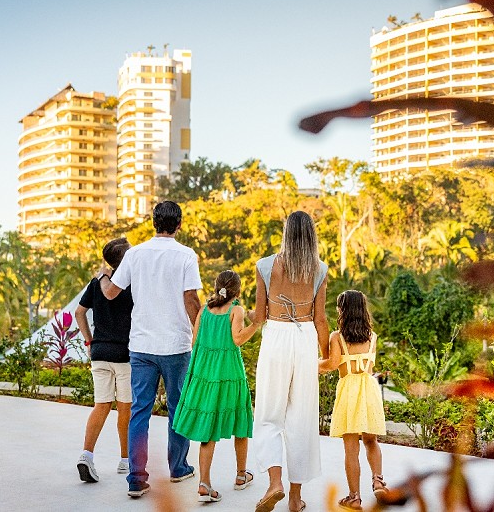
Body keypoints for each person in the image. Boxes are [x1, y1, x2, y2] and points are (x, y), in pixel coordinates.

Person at [97, 200, 202, 498]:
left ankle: (136, 478)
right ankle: (178, 468)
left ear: (153, 222)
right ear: (179, 224)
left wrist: (104, 274)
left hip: (141, 345)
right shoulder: (186, 255)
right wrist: (200, 331)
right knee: (178, 408)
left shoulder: (135, 254)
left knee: (139, 411)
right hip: (175, 345)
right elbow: (191, 298)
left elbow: (111, 292)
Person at [251, 210, 329, 512]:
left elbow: (259, 316)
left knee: (269, 414)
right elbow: (320, 318)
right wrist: (324, 355)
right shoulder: (320, 269)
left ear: (286, 232)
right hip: (306, 338)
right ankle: (295, 498)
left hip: (276, 337)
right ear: (311, 235)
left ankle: (274, 483)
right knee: (302, 419)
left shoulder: (265, 266)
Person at [172, 270, 261, 503]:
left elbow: (194, 341)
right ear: (238, 290)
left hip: (205, 376)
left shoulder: (204, 310)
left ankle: (204, 484)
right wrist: (257, 324)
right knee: (240, 422)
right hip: (230, 374)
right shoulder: (236, 310)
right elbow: (238, 339)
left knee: (207, 429)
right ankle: (241, 475)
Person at [318, 290, 390, 511]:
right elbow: (370, 368)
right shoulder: (372, 336)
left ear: (343, 311)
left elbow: (331, 364)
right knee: (371, 441)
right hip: (369, 389)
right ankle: (378, 480)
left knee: (351, 449)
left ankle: (354, 497)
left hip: (349, 389)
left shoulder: (337, 337)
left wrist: (314, 364)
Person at [75, 237, 134, 483]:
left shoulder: (97, 282)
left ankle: (86, 455)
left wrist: (90, 341)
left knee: (101, 406)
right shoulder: (133, 284)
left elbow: (79, 312)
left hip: (99, 353)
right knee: (125, 408)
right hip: (125, 355)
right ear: (126, 258)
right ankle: (125, 460)